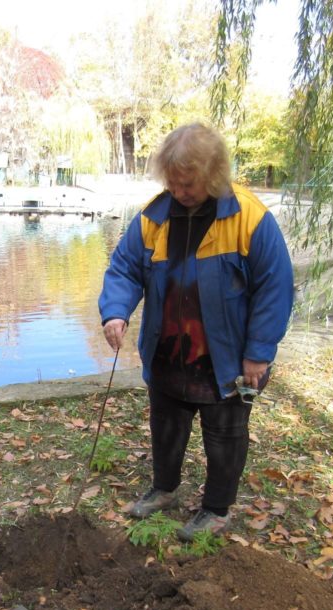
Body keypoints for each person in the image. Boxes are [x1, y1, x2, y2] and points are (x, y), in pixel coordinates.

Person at [99, 122, 294, 542]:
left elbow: (275, 288)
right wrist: (115, 312)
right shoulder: (154, 217)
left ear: (213, 175)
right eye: (173, 183)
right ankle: (164, 488)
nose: (180, 192)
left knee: (224, 434)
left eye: (188, 184)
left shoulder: (249, 219)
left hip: (226, 358)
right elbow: (125, 268)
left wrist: (258, 352)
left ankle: (216, 509)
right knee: (166, 423)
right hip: (169, 351)